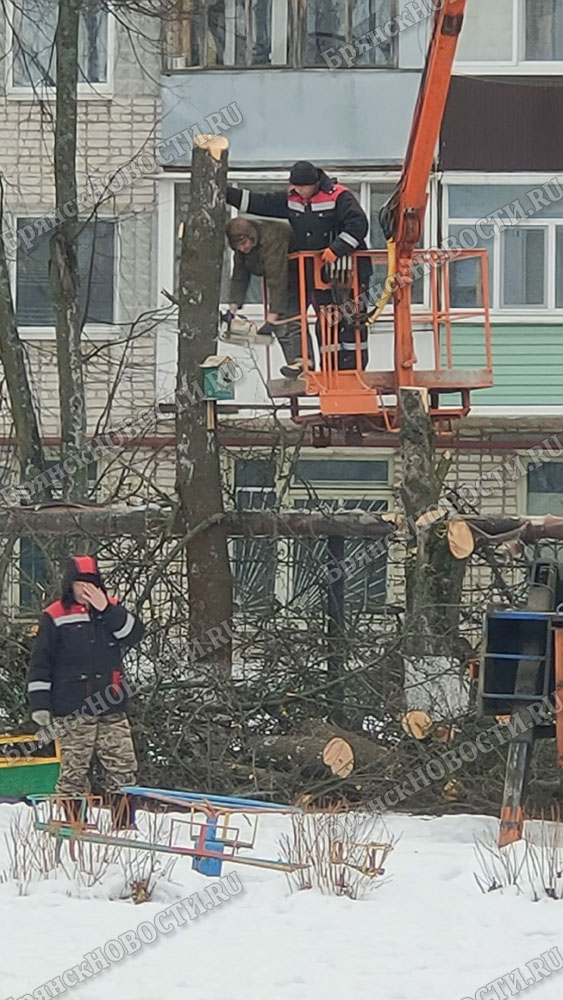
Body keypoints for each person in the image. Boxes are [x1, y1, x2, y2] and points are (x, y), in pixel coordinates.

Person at [27, 555, 144, 829]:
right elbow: (40, 663)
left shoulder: (111, 610)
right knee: (73, 772)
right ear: (70, 586)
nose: (85, 590)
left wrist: (107, 609)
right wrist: (40, 704)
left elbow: (135, 634)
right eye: (80, 584)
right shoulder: (54, 615)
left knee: (123, 767)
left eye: (91, 584)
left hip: (111, 706)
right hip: (72, 709)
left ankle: (124, 825)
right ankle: (72, 825)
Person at [227, 160, 371, 377]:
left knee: (350, 322)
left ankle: (353, 372)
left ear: (314, 183)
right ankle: (330, 371)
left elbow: (358, 224)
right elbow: (259, 202)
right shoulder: (292, 198)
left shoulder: (339, 196)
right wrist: (223, 191)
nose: (299, 192)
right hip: (320, 274)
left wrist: (337, 248)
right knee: (326, 324)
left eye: (302, 187)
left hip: (348, 271)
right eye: (295, 187)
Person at [224, 216, 303, 375]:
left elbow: (276, 276)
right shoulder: (244, 248)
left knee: (290, 317)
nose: (242, 248)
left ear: (251, 236)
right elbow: (239, 276)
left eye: (244, 243)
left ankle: (302, 363)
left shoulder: (272, 236)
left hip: (300, 271)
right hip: (284, 275)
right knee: (281, 324)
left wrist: (271, 317)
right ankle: (295, 364)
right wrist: (231, 310)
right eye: (237, 246)